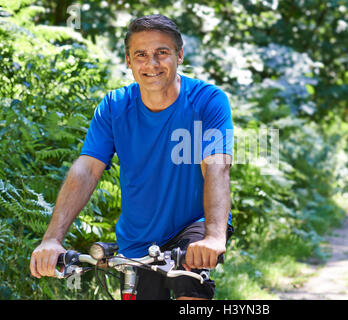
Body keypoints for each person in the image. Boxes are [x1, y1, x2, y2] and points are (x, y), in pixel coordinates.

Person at [29, 14, 234, 300]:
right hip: (138, 238)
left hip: (193, 225)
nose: (152, 63)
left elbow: (216, 168)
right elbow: (86, 170)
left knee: (191, 292)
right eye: (141, 54)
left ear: (180, 55)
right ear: (128, 60)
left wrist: (213, 237)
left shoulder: (208, 101)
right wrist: (52, 239)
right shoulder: (114, 107)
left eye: (162, 52)